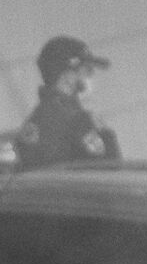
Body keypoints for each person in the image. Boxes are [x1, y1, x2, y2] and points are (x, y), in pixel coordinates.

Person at [15, 35, 120, 171]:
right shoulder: (77, 121)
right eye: (87, 70)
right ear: (68, 77)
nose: (91, 76)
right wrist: (105, 134)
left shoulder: (37, 118)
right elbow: (111, 169)